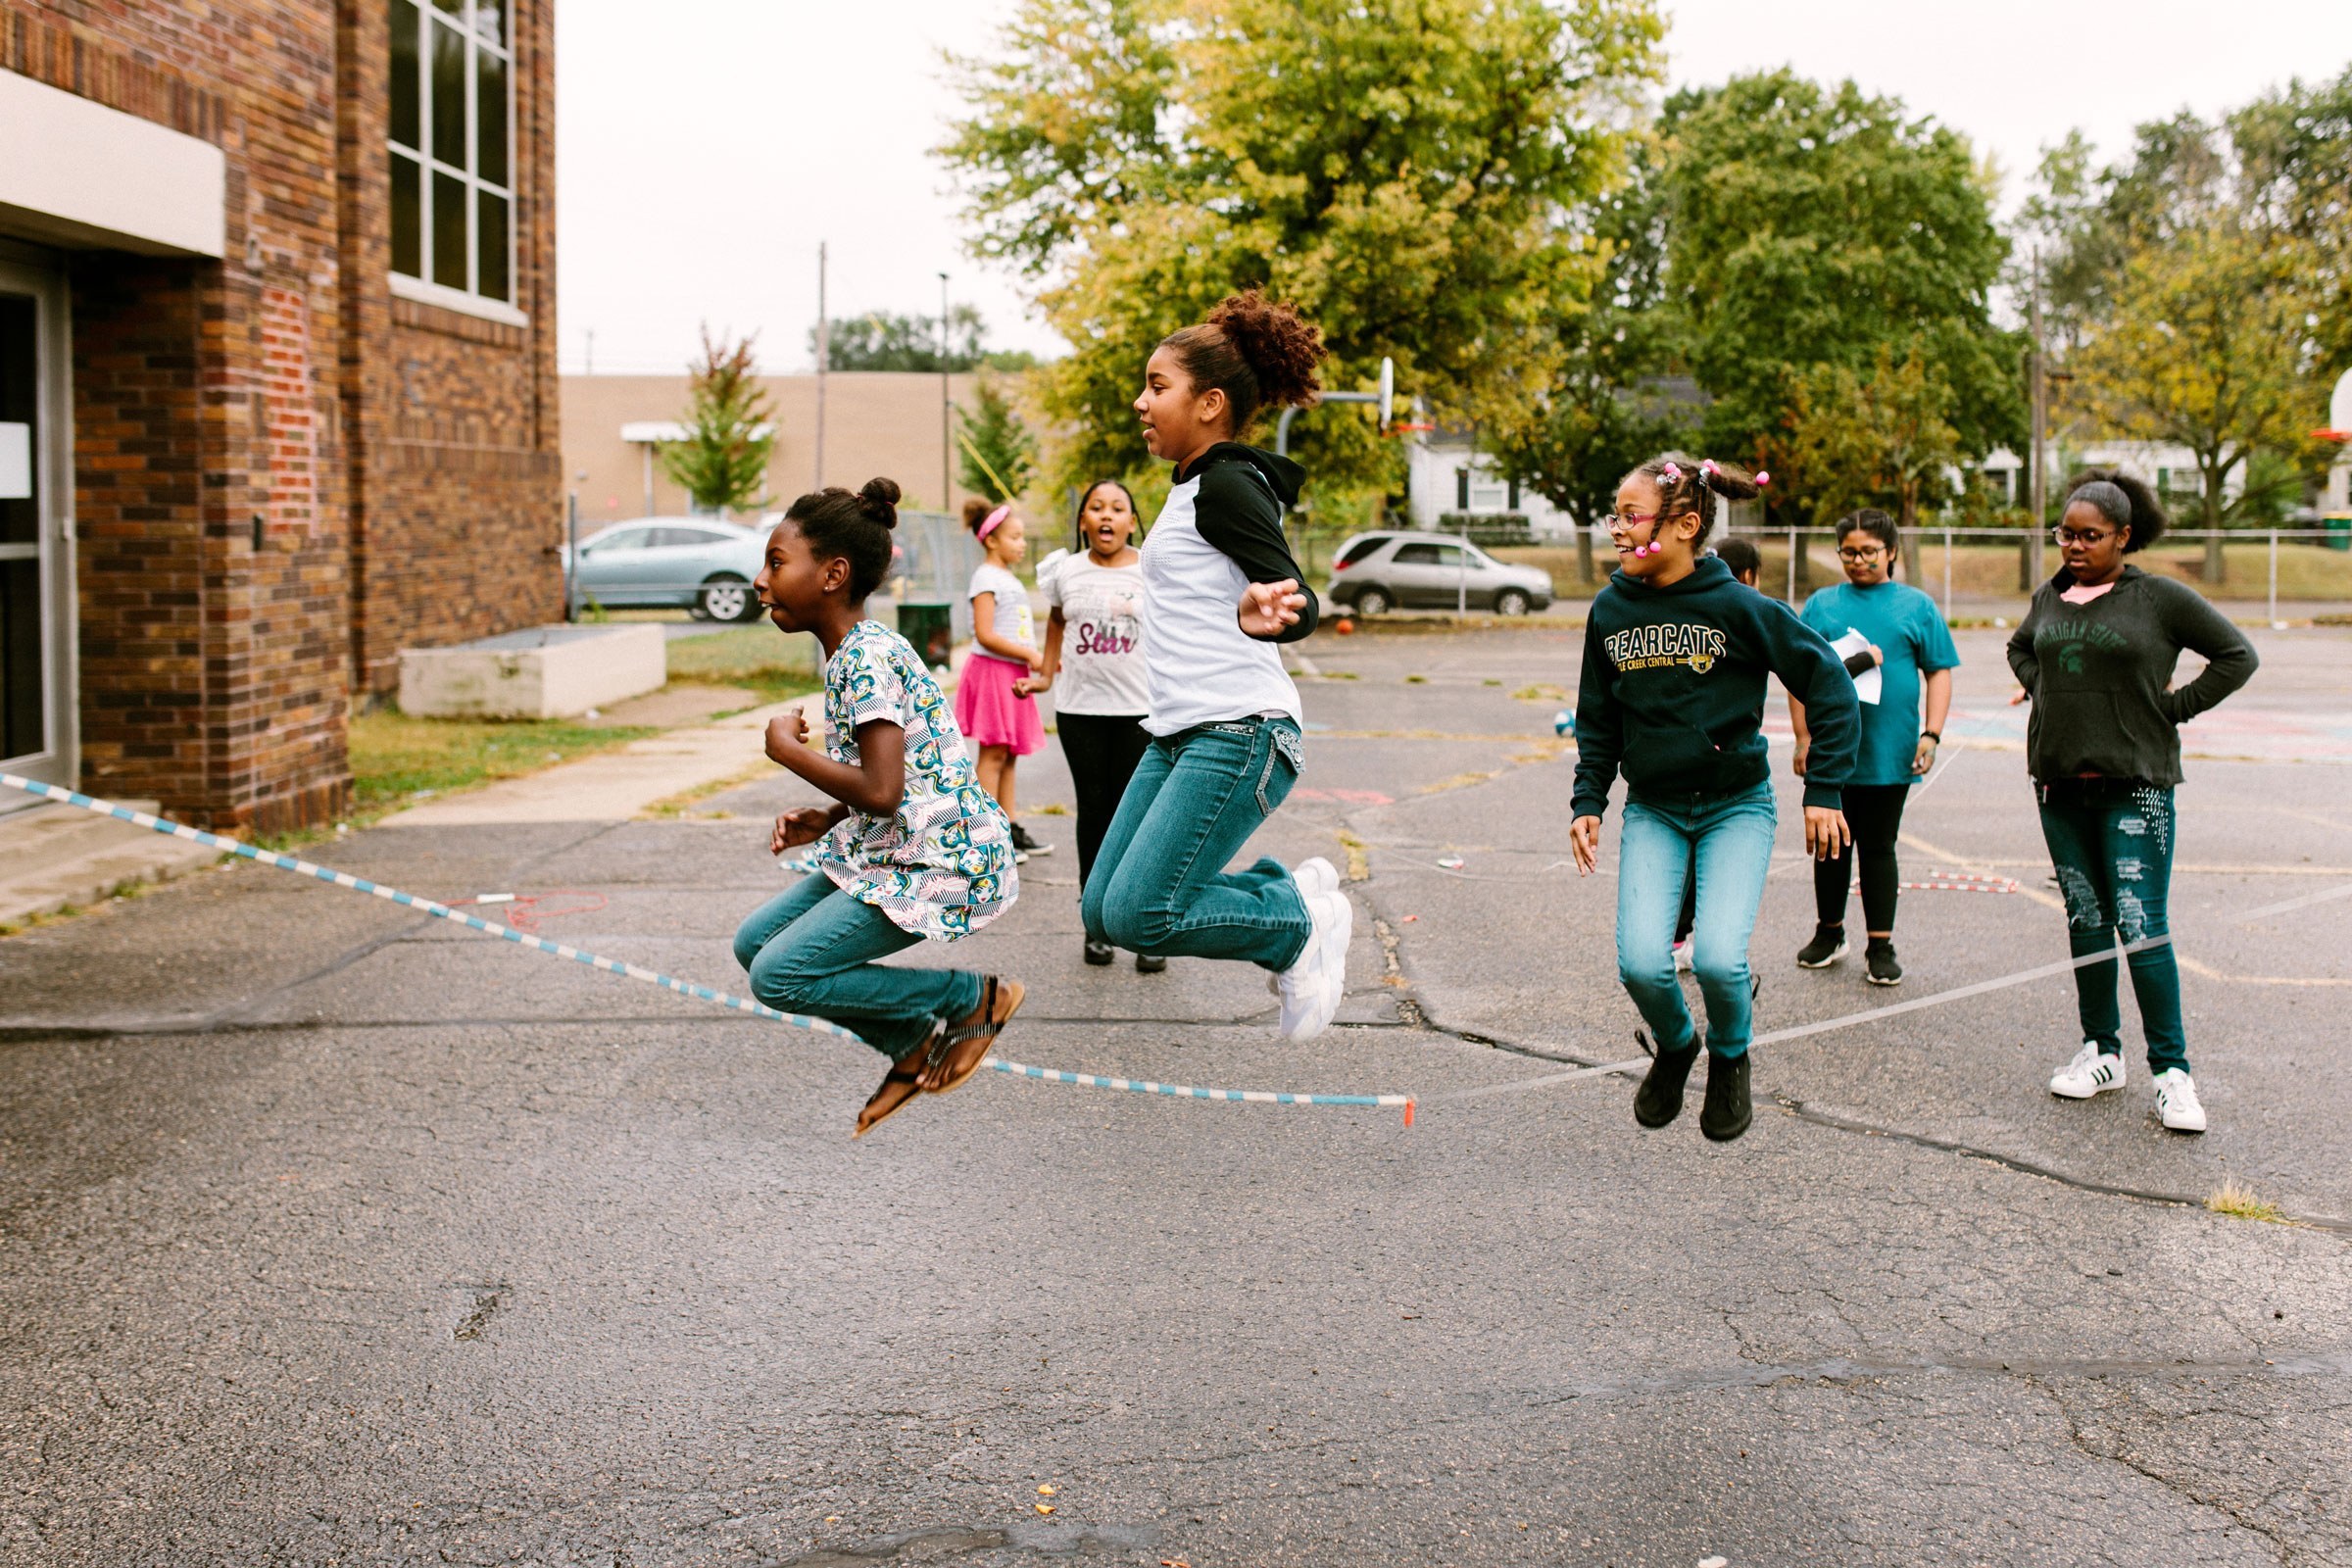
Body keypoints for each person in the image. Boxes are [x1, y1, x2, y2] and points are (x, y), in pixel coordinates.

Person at [1080, 290, 1352, 1041]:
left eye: (1157, 386)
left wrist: (1272, 609)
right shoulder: (1192, 488)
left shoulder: (1228, 485)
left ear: (1210, 403)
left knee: (1144, 913)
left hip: (1239, 731)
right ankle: (1280, 892)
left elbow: (1298, 599)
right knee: (1103, 908)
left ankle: (1294, 925)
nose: (1141, 402)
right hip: (1178, 732)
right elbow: (1222, 597)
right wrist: (1242, 609)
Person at [1570, 456, 1860, 1143]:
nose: (1615, 528)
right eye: (1615, 513)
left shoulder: (1739, 607)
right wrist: (1589, 800)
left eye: (1629, 515)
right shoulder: (1610, 611)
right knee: (1642, 962)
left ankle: (1730, 1054)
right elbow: (1597, 717)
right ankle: (1677, 1045)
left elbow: (1831, 686)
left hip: (1737, 806)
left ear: (1684, 525)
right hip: (1655, 808)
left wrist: (1823, 789)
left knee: (1719, 961)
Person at [734, 478, 1024, 1139]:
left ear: (833, 575)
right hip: (893, 844)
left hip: (940, 859)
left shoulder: (865, 658)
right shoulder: (855, 653)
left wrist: (785, 751)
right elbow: (896, 774)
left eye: (777, 563)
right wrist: (829, 816)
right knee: (753, 945)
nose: (761, 580)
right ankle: (913, 1045)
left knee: (780, 975)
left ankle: (969, 998)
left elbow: (885, 792)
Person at [2008, 470, 2256, 1134]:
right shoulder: (2053, 594)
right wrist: (2045, 690)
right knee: (2087, 917)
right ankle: (2101, 1052)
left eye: (2090, 536)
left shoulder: (2159, 599)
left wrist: (2174, 709)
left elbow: (2237, 655)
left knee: (2141, 923)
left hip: (2137, 784)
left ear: (2123, 536)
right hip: (2059, 783)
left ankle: (2172, 1074)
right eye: (2066, 534)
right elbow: (2021, 647)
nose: (2074, 546)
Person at [1788, 509, 1960, 987]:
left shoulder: (1917, 606)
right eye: (1848, 552)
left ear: (1891, 553)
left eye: (1869, 552)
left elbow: (1939, 670)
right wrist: (1804, 736)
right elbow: (1799, 674)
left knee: (1879, 847)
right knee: (1831, 847)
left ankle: (1880, 944)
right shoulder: (1822, 604)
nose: (1858, 560)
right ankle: (1830, 933)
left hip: (1891, 750)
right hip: (1834, 753)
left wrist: (1932, 733)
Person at [1018, 479, 1165, 972]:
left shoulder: (1150, 569)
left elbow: (1172, 630)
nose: (1107, 515)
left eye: (1117, 508)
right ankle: (1096, 923)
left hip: (1140, 714)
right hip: (1080, 712)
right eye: (1096, 508)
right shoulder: (1066, 571)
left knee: (1141, 817)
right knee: (1095, 813)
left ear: (1131, 521)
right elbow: (1057, 622)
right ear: (1083, 521)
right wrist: (1044, 673)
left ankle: (1145, 925)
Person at [1672, 536, 1766, 970]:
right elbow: (1821, 667)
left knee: (1689, 861)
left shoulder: (1691, 611)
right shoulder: (1744, 613)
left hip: (1687, 759)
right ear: (1747, 576)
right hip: (1723, 767)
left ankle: (1682, 938)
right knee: (1702, 863)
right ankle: (1686, 938)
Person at [955, 499, 1052, 863]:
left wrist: (1033, 657)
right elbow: (984, 633)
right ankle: (983, 837)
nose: (1022, 543)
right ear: (991, 540)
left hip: (1012, 674)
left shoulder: (1007, 577)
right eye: (1014, 537)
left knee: (1009, 754)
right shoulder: (986, 578)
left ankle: (1009, 828)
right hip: (993, 672)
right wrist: (1030, 655)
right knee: (993, 754)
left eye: (1023, 537)